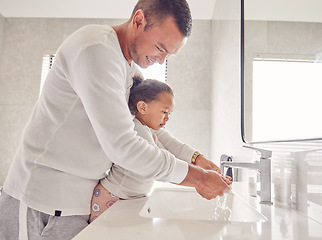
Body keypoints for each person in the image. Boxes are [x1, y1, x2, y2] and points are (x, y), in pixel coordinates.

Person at [0, 0, 231, 239]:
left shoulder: (130, 71)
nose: (161, 61)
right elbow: (123, 146)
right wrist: (198, 179)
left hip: (76, 204)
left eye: (168, 55)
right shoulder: (95, 48)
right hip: (38, 200)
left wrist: (196, 159)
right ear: (139, 20)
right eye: (161, 48)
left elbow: (152, 129)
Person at [89, 76, 231, 222]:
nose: (167, 118)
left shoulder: (148, 130)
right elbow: (164, 166)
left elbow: (170, 154)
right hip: (113, 197)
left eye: (170, 113)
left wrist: (204, 169)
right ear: (142, 107)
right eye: (164, 112)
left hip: (125, 196)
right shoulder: (138, 131)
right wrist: (202, 179)